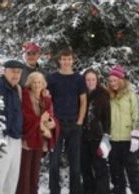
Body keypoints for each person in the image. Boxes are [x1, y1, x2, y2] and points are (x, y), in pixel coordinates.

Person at [47, 48, 87, 194]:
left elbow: (83, 101)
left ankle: (75, 191)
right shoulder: (52, 78)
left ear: (72, 60)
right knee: (54, 162)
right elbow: (47, 99)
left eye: (69, 59)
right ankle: (54, 191)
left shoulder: (79, 78)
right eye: (64, 59)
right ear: (59, 60)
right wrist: (49, 119)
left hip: (74, 124)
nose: (66, 62)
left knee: (75, 164)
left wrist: (80, 121)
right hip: (56, 124)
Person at [16, 72, 60, 194]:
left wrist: (53, 122)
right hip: (28, 138)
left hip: (40, 138)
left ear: (43, 84)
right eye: (34, 82)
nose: (37, 85)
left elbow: (51, 115)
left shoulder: (45, 98)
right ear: (30, 83)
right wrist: (40, 120)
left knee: (35, 171)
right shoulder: (25, 95)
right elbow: (24, 116)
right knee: (24, 172)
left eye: (39, 82)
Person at [107, 65, 139, 194]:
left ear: (121, 80)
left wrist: (135, 136)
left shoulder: (132, 96)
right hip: (113, 141)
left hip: (129, 141)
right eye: (111, 81)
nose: (113, 83)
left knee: (133, 173)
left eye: (115, 80)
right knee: (116, 174)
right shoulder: (108, 97)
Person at [0, 60, 24, 194]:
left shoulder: (17, 88)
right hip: (2, 138)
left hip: (16, 137)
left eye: (18, 72)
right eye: (13, 71)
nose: (16, 75)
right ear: (5, 71)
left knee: (12, 177)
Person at [81, 69, 111, 194]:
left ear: (97, 80)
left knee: (100, 168)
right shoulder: (81, 93)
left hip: (97, 137)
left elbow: (107, 117)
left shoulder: (103, 94)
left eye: (93, 79)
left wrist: (106, 135)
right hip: (82, 137)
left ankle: (102, 191)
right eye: (88, 79)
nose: (90, 82)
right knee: (85, 167)